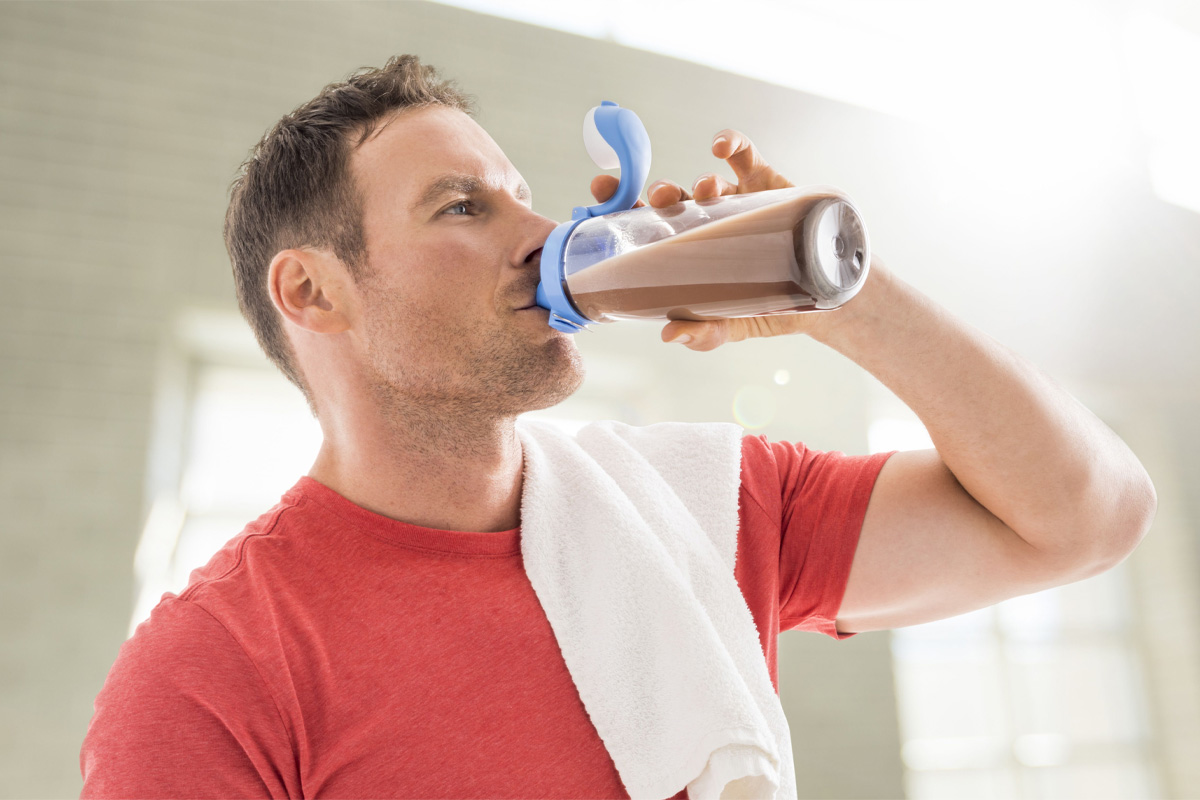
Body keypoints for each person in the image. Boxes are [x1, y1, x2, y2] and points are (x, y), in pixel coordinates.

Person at [79, 55, 1157, 799]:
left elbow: (1090, 515)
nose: (546, 234)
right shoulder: (208, 671)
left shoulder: (699, 508)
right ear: (313, 292)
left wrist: (844, 295)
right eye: (465, 207)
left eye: (527, 196)